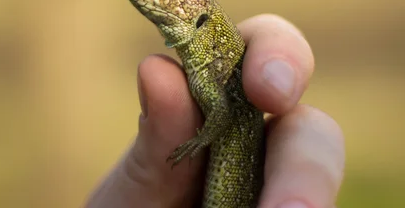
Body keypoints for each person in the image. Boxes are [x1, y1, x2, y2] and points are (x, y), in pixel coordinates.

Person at [86, 14, 345, 208]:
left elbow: (221, 110)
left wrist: (200, 140)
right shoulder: (206, 72)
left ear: (200, 19)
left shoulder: (212, 75)